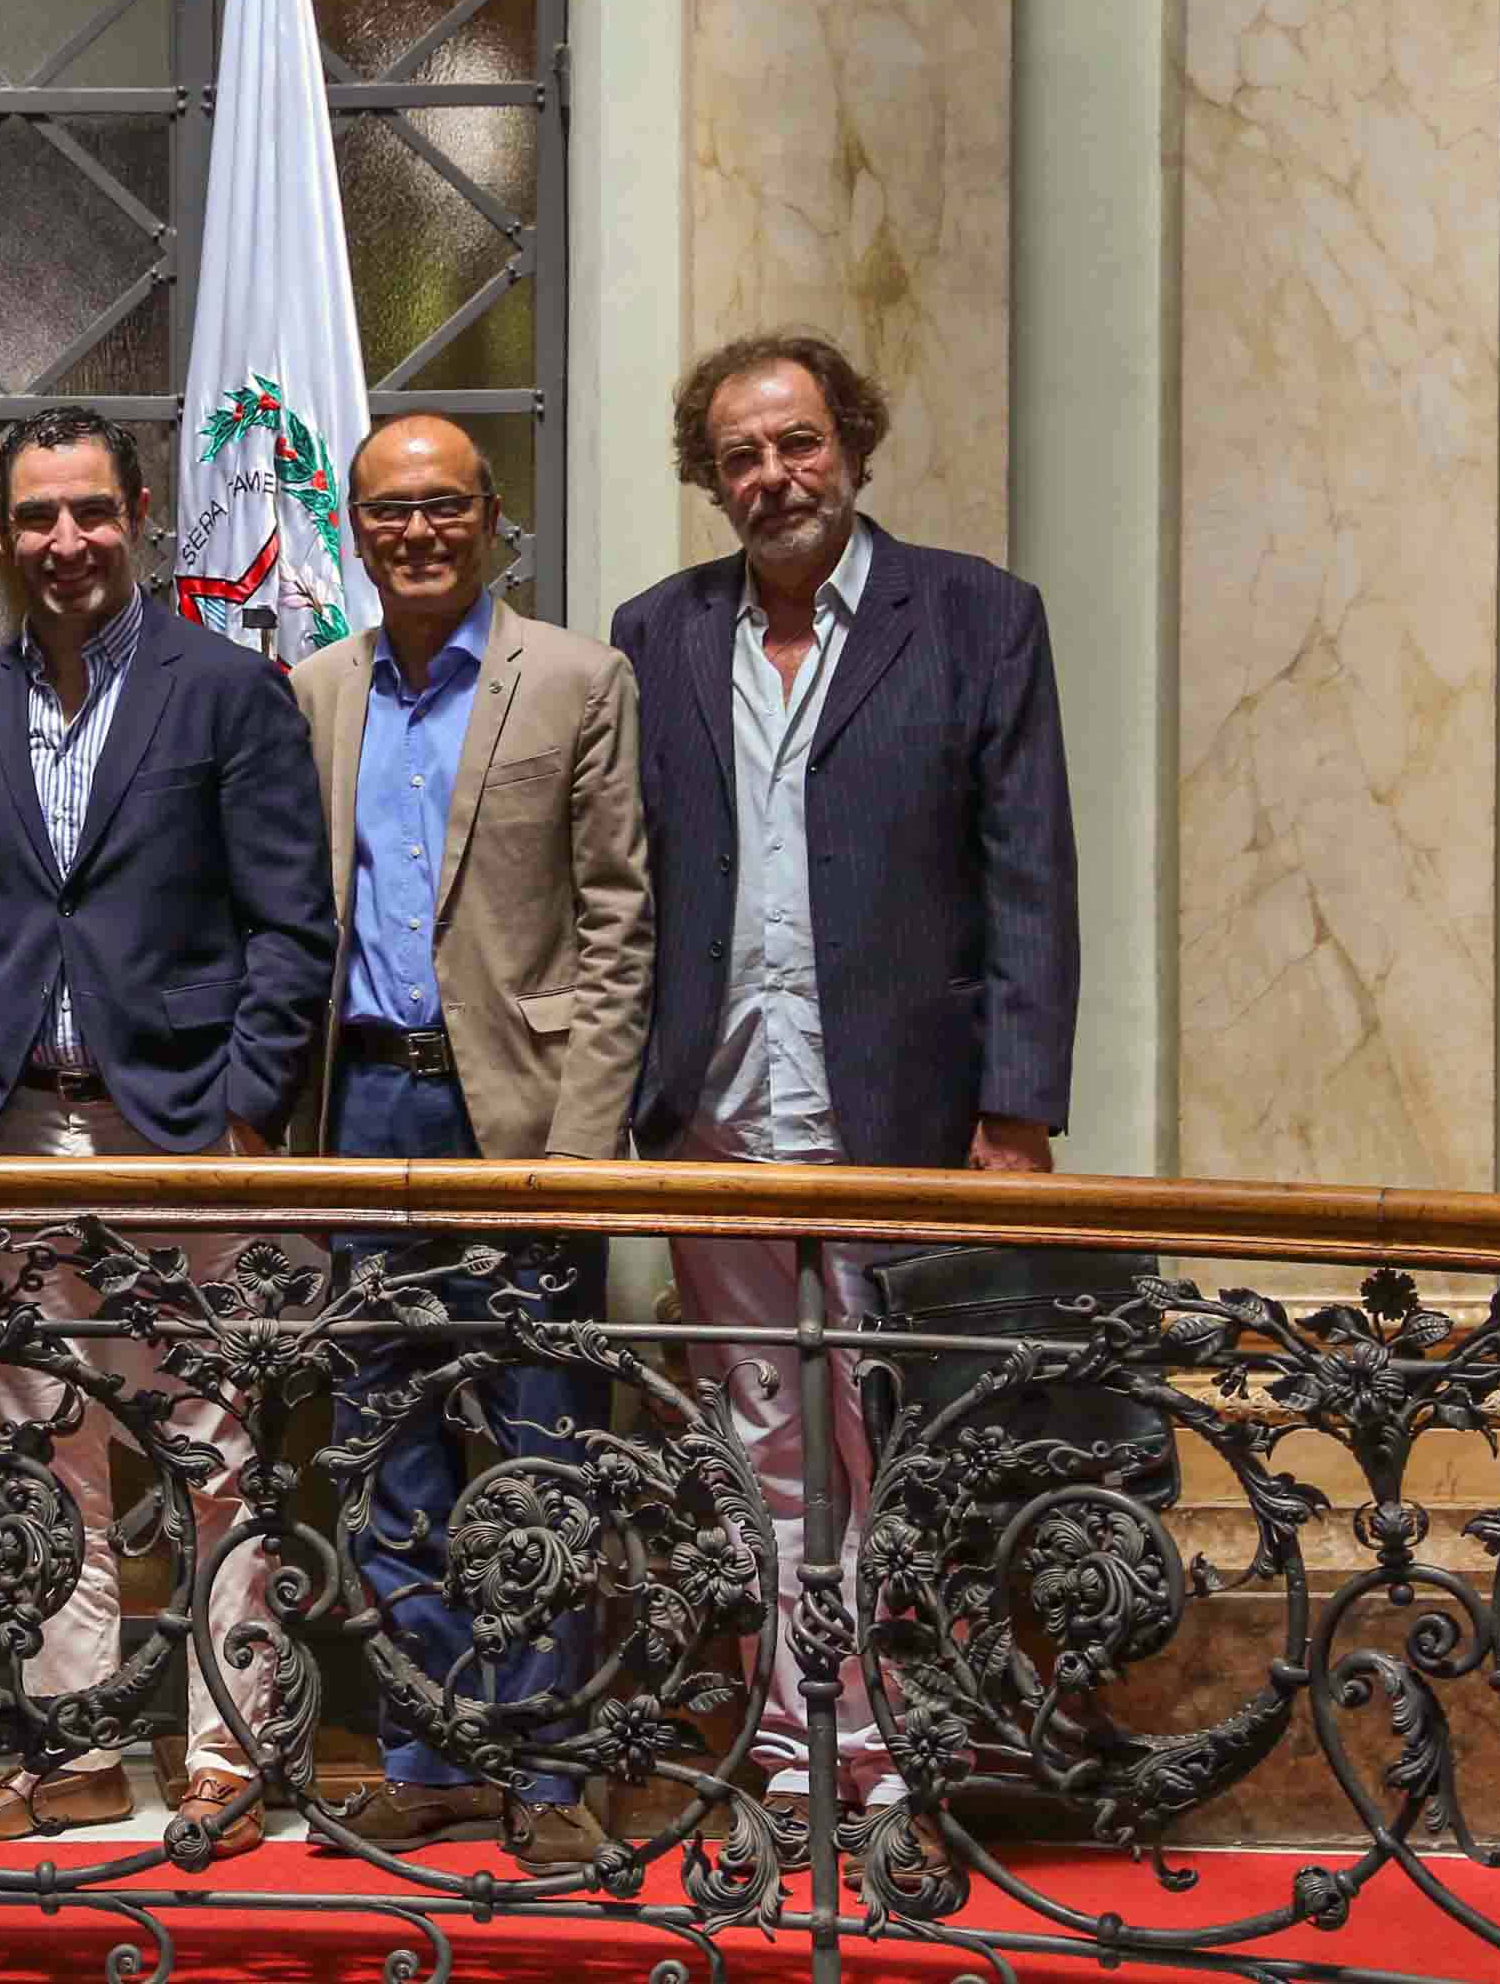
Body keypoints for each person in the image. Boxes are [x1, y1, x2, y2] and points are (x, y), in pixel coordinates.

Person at [610, 329, 1078, 1861]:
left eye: (796, 442)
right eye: (739, 455)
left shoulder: (976, 615)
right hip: (715, 1107)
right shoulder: (656, 631)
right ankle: (803, 1739)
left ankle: (900, 1741)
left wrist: (1016, 1111)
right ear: (710, 477)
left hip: (907, 1108)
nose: (772, 475)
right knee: (758, 1428)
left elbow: (1027, 871)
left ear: (853, 445)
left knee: (902, 1438)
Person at [0, 406, 330, 1858]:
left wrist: (245, 1110)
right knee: (47, 1452)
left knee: (217, 1448)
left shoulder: (225, 688)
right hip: (13, 1125)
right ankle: (73, 1752)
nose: (65, 539)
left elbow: (291, 923)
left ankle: (227, 1750)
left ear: (138, 514)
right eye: (36, 516)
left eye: (90, 509)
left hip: (183, 1129)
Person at [285, 414, 652, 1868]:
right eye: (388, 509)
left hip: (523, 1117)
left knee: (541, 1441)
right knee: (385, 1446)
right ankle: (428, 1755)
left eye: (443, 505)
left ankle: (546, 1771)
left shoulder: (575, 677)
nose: (417, 530)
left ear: (491, 518)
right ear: (355, 530)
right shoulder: (318, 687)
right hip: (362, 1111)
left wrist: (582, 1147)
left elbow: (617, 921)